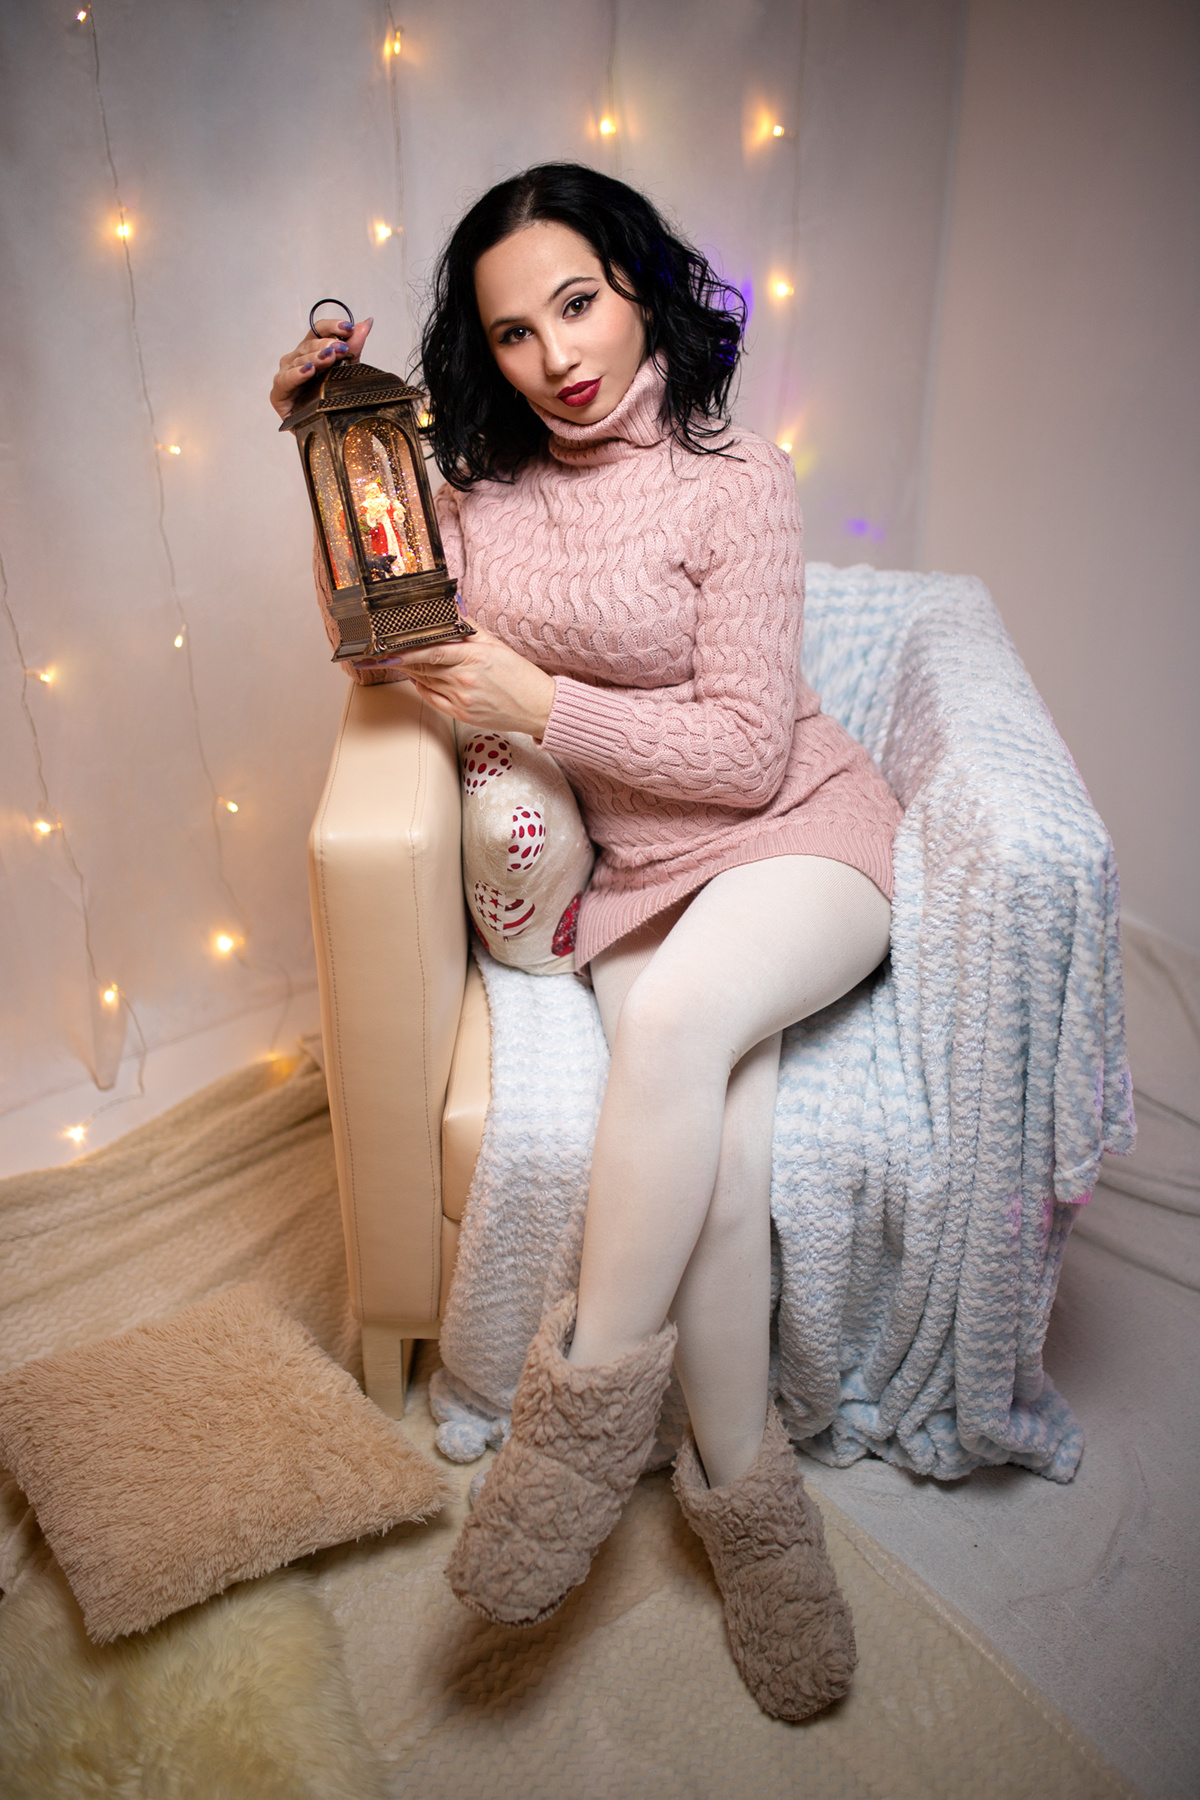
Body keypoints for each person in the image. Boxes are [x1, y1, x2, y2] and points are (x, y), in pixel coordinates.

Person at [271, 163, 902, 1722]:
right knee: (723, 1169)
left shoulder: (734, 481)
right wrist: (322, 440)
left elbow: (746, 756)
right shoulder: (482, 502)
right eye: (513, 332)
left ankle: (568, 1444)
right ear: (481, 353)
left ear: (641, 291)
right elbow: (380, 625)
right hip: (635, 880)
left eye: (579, 303)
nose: (558, 357)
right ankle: (753, 1510)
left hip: (797, 840)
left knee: (678, 1029)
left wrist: (542, 705)